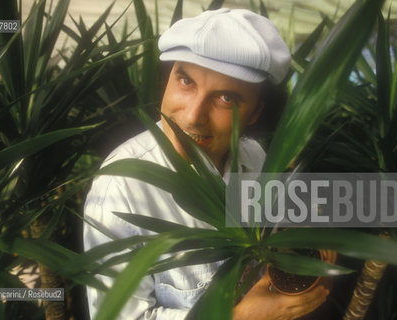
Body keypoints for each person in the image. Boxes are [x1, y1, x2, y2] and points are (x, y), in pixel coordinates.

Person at [84, 8, 330, 320]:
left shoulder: (254, 157)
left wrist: (307, 247)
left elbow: (276, 231)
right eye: (185, 80)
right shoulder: (120, 186)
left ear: (255, 113)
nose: (191, 116)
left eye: (226, 98)